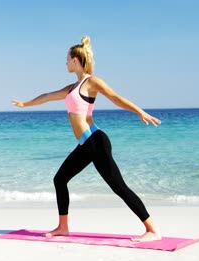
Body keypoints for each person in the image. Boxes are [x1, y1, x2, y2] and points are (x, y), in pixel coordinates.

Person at [11, 36, 162, 242]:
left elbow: (115, 97)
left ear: (75, 60)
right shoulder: (72, 88)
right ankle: (63, 227)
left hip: (96, 141)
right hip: (85, 144)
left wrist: (139, 111)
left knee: (119, 186)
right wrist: (25, 104)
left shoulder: (92, 82)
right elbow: (47, 95)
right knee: (60, 179)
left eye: (67, 59)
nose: (65, 62)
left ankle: (152, 230)